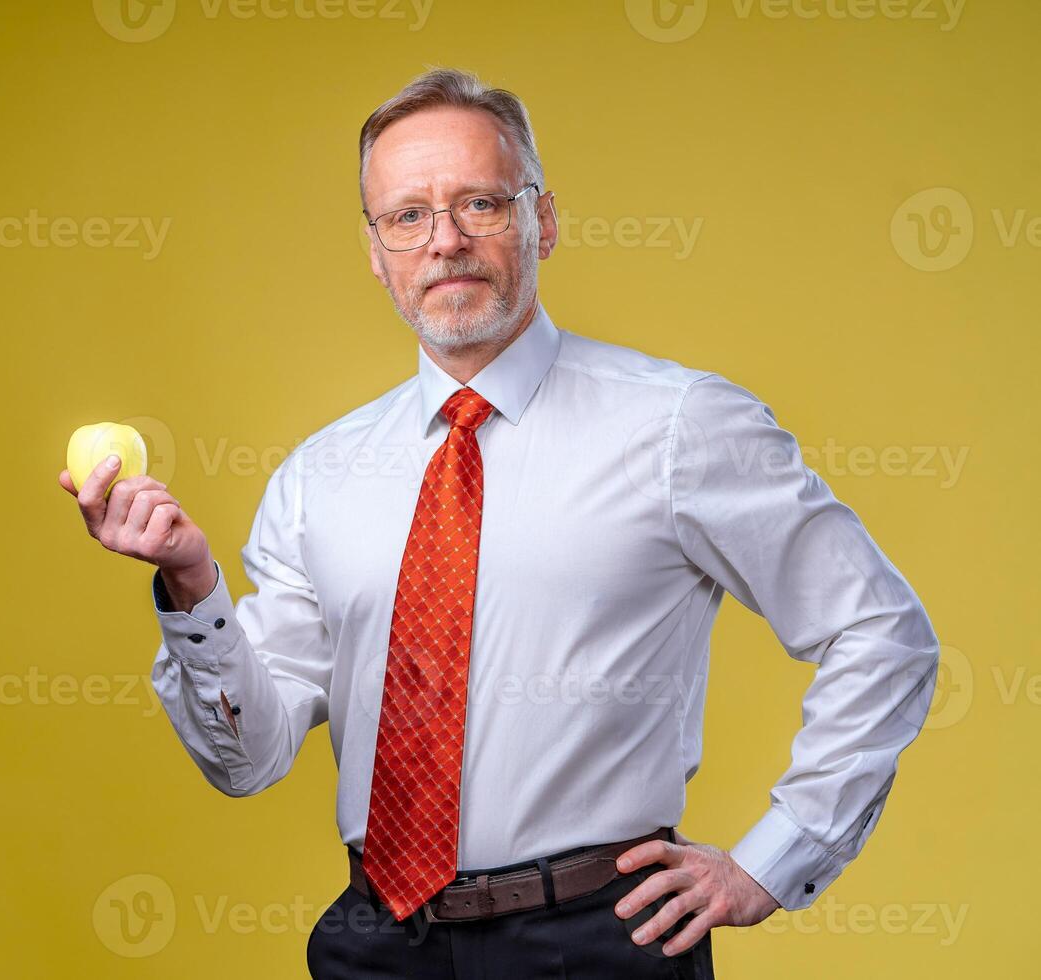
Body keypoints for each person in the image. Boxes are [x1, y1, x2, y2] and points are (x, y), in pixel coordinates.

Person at [59, 67, 940, 979]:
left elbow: (879, 631)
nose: (443, 241)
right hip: (376, 945)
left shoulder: (679, 426)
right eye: (406, 216)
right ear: (375, 250)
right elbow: (248, 757)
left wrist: (773, 860)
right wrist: (193, 585)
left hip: (596, 943)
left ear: (541, 220)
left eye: (478, 202)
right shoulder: (318, 477)